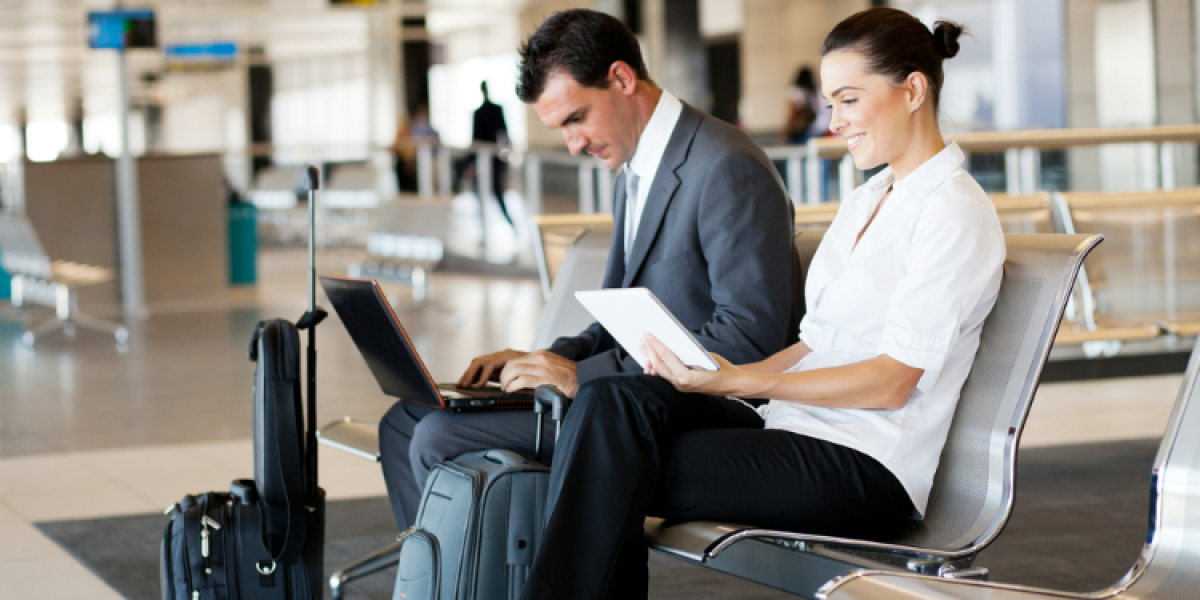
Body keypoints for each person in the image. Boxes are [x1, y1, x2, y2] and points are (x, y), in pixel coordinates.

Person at [518, 8, 1006, 600]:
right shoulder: (869, 198)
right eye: (831, 103)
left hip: (865, 464)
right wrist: (717, 374)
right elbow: (816, 343)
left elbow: (892, 382)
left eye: (849, 100)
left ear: (912, 89)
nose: (834, 122)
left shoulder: (952, 212)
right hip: (793, 430)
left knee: (608, 460)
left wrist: (735, 381)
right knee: (611, 402)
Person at [377, 8, 804, 533]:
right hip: (628, 394)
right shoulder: (637, 169)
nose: (573, 144)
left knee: (439, 436)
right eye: (560, 129)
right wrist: (550, 358)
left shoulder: (724, 165)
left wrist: (583, 377)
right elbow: (618, 317)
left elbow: (748, 341)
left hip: (703, 409)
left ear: (622, 78)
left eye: (576, 118)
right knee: (405, 422)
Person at [455, 82, 513, 225]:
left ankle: (511, 228)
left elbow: (501, 134)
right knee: (484, 195)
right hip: (485, 159)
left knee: (496, 195)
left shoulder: (488, 111)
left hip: (490, 159)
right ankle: (486, 230)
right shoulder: (484, 112)